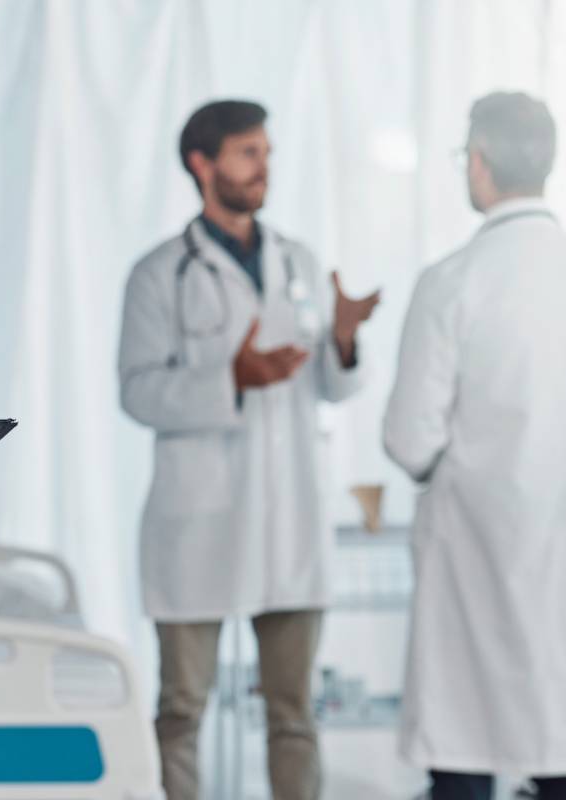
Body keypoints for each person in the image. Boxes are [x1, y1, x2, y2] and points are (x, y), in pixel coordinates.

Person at [117, 99, 380, 800]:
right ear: (202, 164)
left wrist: (345, 340)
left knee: (294, 713)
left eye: (266, 152)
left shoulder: (299, 261)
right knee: (182, 711)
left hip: (289, 514)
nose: (264, 167)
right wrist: (231, 377)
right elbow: (137, 392)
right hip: (199, 521)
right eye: (248, 153)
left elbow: (331, 387)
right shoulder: (159, 274)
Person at [383, 91, 566, 800]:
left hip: (477, 550)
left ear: (480, 162)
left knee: (464, 751)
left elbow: (409, 438)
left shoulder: (451, 282)